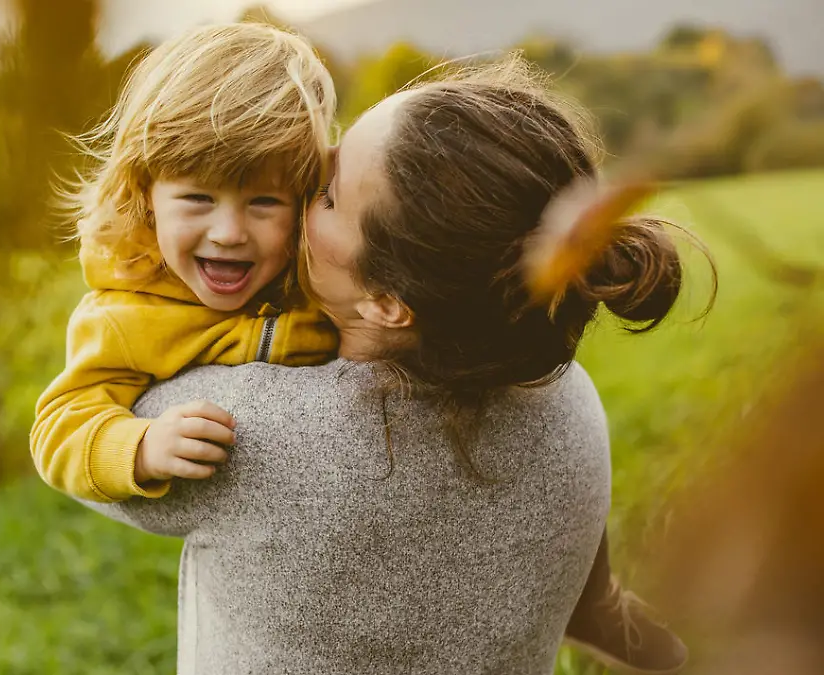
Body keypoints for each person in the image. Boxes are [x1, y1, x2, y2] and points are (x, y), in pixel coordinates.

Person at [79, 56, 713, 674]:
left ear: (385, 303)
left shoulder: (242, 431)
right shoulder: (567, 395)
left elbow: (95, 423)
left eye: (324, 196)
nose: (303, 184)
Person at [29, 22, 337, 504]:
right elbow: (58, 426)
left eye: (263, 202)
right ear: (145, 195)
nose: (230, 233)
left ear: (303, 201)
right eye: (197, 198)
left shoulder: (324, 275)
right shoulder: (126, 314)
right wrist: (141, 447)